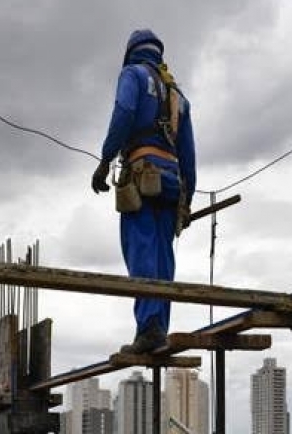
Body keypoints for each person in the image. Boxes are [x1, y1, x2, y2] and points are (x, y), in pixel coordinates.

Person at [91, 29, 197, 354]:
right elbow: (189, 155)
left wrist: (105, 160)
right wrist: (187, 201)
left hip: (141, 177)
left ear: (131, 53)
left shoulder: (133, 75)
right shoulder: (178, 96)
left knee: (141, 251)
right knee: (163, 257)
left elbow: (124, 112)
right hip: (171, 183)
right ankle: (158, 329)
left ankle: (149, 328)